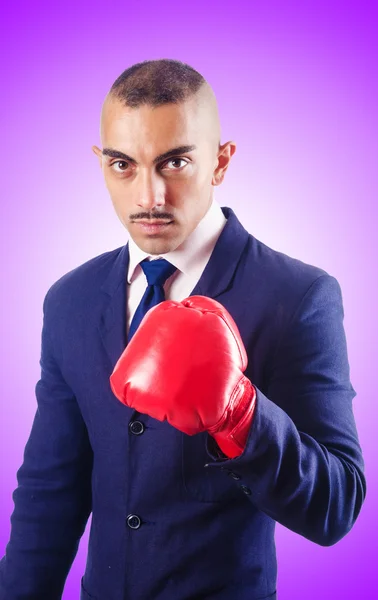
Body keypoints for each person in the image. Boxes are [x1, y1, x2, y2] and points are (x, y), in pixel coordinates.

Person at [0, 58, 366, 600]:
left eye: (173, 162)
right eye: (123, 165)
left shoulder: (298, 296)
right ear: (100, 164)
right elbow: (50, 495)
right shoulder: (69, 301)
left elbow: (336, 505)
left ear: (220, 162)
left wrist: (242, 415)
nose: (148, 196)